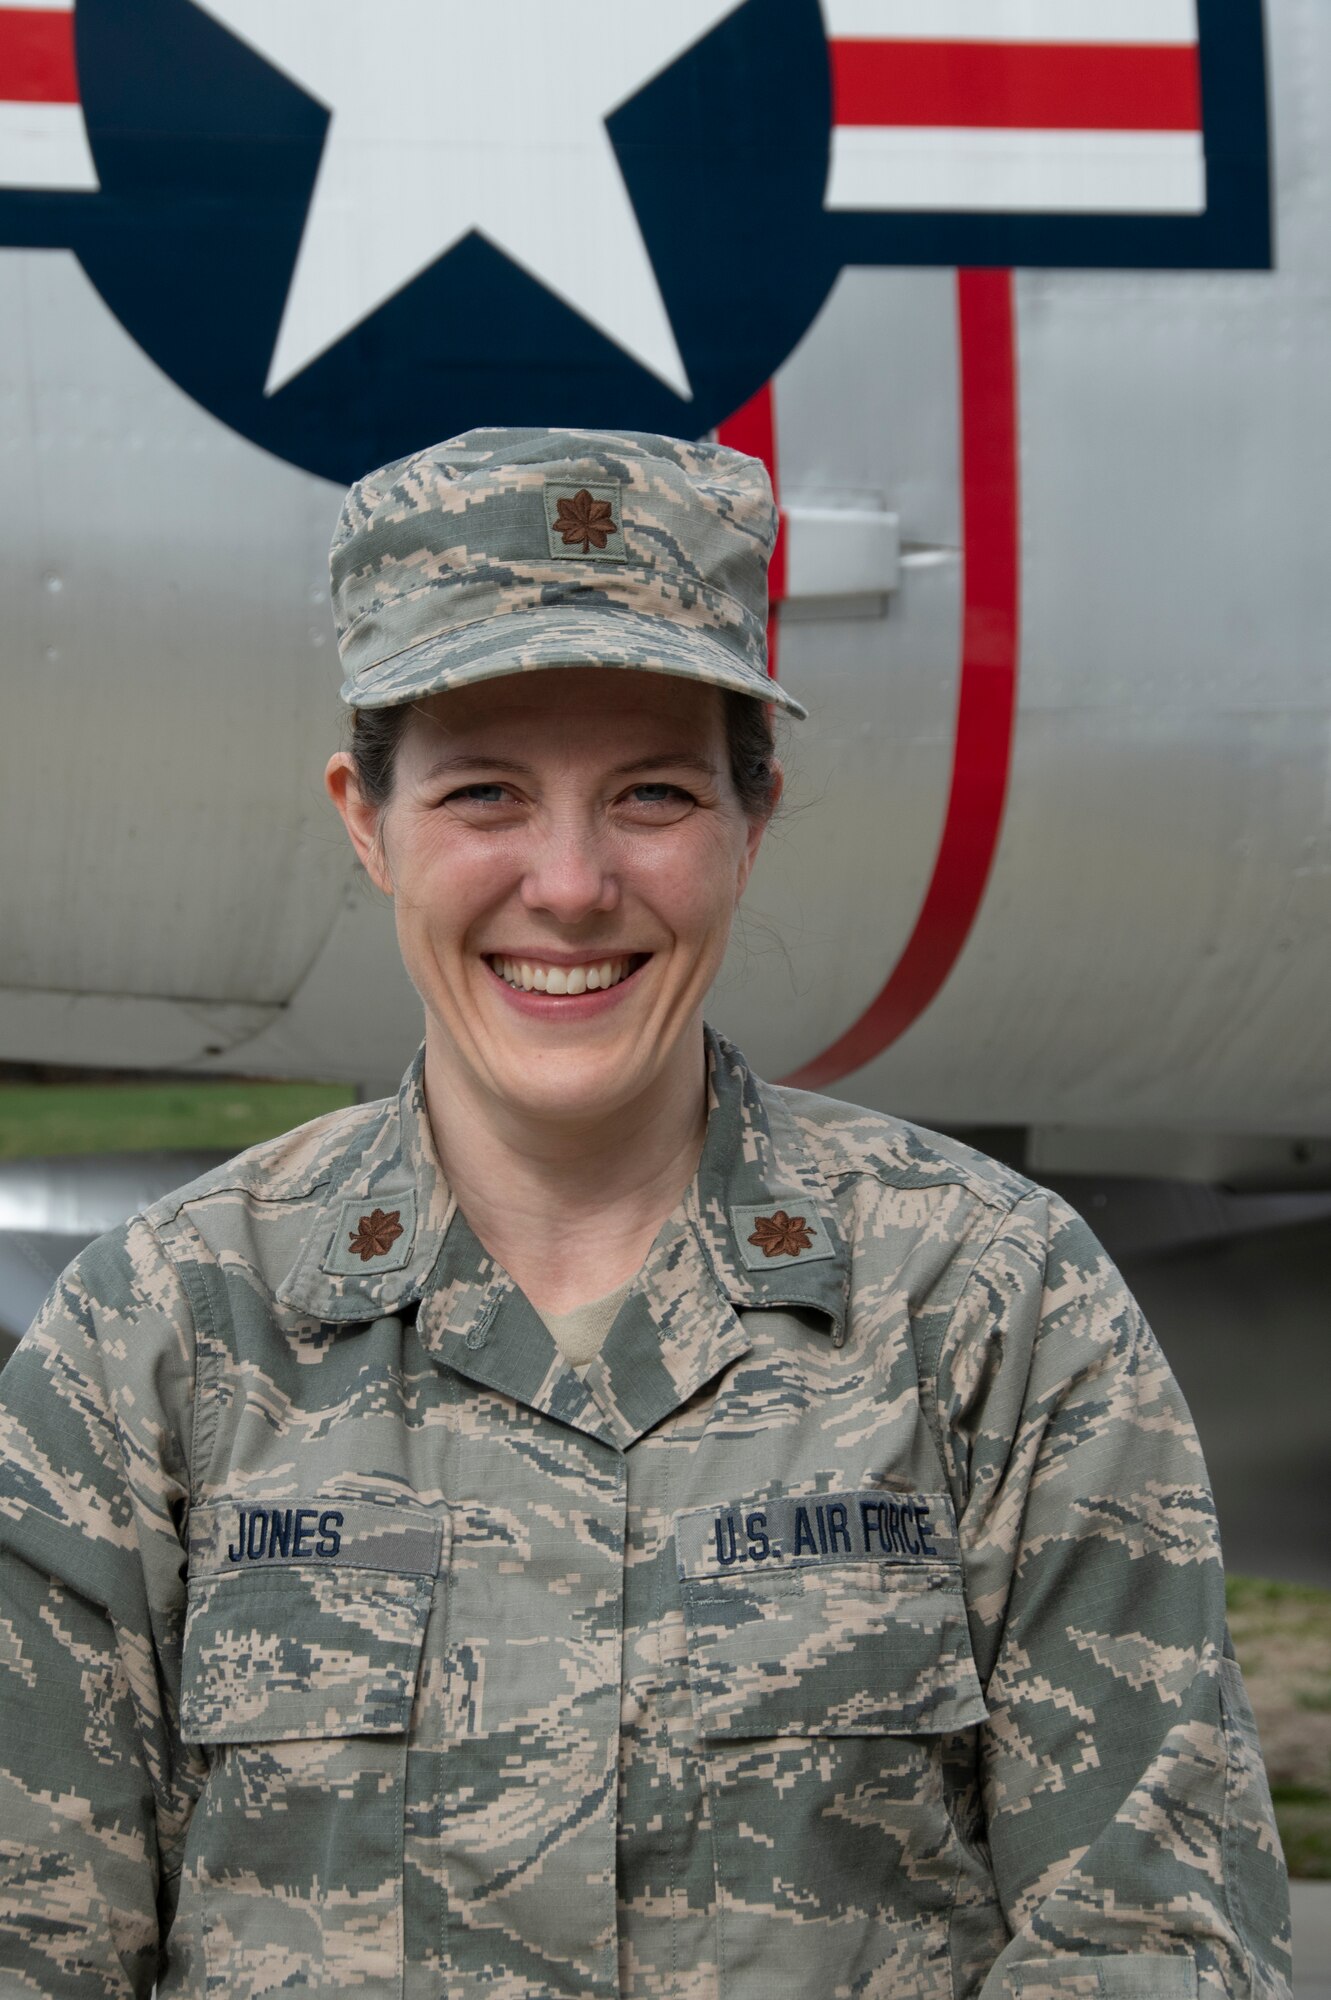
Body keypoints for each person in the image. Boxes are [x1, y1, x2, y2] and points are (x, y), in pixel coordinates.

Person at [0, 428, 1291, 2000]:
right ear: (366, 817)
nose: (570, 881)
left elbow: (1156, 1937)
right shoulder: (160, 1333)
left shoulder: (993, 1304)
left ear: (753, 821)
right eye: (483, 792)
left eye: (653, 794)